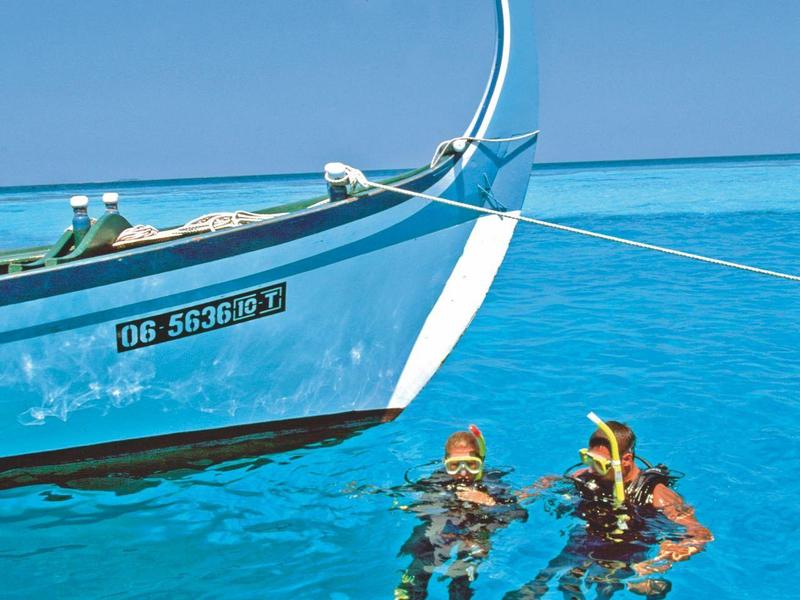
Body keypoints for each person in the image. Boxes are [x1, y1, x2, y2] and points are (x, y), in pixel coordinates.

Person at [507, 413, 712, 599]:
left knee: (606, 589)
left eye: (600, 464)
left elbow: (701, 534)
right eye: (589, 459)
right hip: (587, 539)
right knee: (552, 580)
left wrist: (665, 557)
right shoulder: (588, 477)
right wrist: (535, 489)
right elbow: (554, 480)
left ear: (626, 460)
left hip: (629, 549)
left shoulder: (658, 495)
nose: (591, 469)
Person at [394, 425, 527, 599]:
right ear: (445, 463)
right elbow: (414, 504)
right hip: (445, 529)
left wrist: (490, 503)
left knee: (462, 575)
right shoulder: (438, 480)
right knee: (420, 557)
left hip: (477, 532)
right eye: (455, 465)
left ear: (481, 461)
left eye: (471, 465)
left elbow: (520, 514)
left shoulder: (493, 484)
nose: (463, 472)